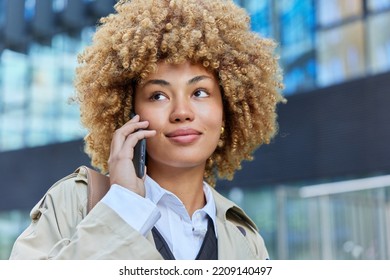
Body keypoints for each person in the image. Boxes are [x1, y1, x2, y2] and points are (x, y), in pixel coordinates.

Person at [9, 0, 285, 260]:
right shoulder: (75, 202)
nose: (182, 112)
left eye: (200, 92)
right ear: (127, 112)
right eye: (158, 96)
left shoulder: (244, 237)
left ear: (228, 109)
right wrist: (122, 208)